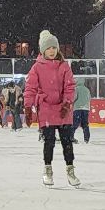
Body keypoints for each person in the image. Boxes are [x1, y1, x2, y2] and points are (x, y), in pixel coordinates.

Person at [24, 29, 80, 186]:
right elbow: (30, 88)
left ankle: (70, 170)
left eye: (54, 47)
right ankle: (47, 170)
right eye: (48, 48)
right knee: (49, 142)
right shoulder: (37, 68)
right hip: (46, 110)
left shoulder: (64, 66)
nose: (51, 51)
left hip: (63, 110)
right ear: (43, 50)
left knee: (67, 142)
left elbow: (70, 86)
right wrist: (28, 108)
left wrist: (67, 103)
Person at [73, 77, 93, 142]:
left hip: (77, 108)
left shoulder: (76, 89)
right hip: (86, 109)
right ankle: (86, 139)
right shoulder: (87, 90)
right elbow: (89, 98)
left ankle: (70, 136)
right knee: (85, 124)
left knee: (75, 123)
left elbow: (74, 98)